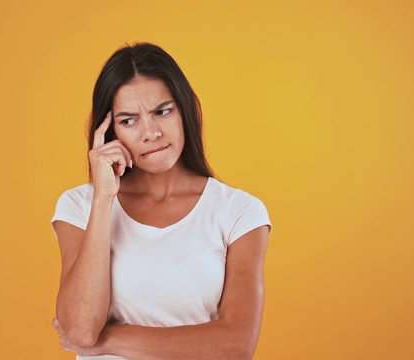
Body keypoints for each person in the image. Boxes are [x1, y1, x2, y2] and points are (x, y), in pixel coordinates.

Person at [50, 42, 272, 360]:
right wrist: (103, 199)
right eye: (129, 121)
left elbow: (234, 346)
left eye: (161, 111)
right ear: (109, 132)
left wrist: (107, 341)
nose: (150, 133)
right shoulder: (79, 206)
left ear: (185, 111)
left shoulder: (238, 212)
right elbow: (82, 329)